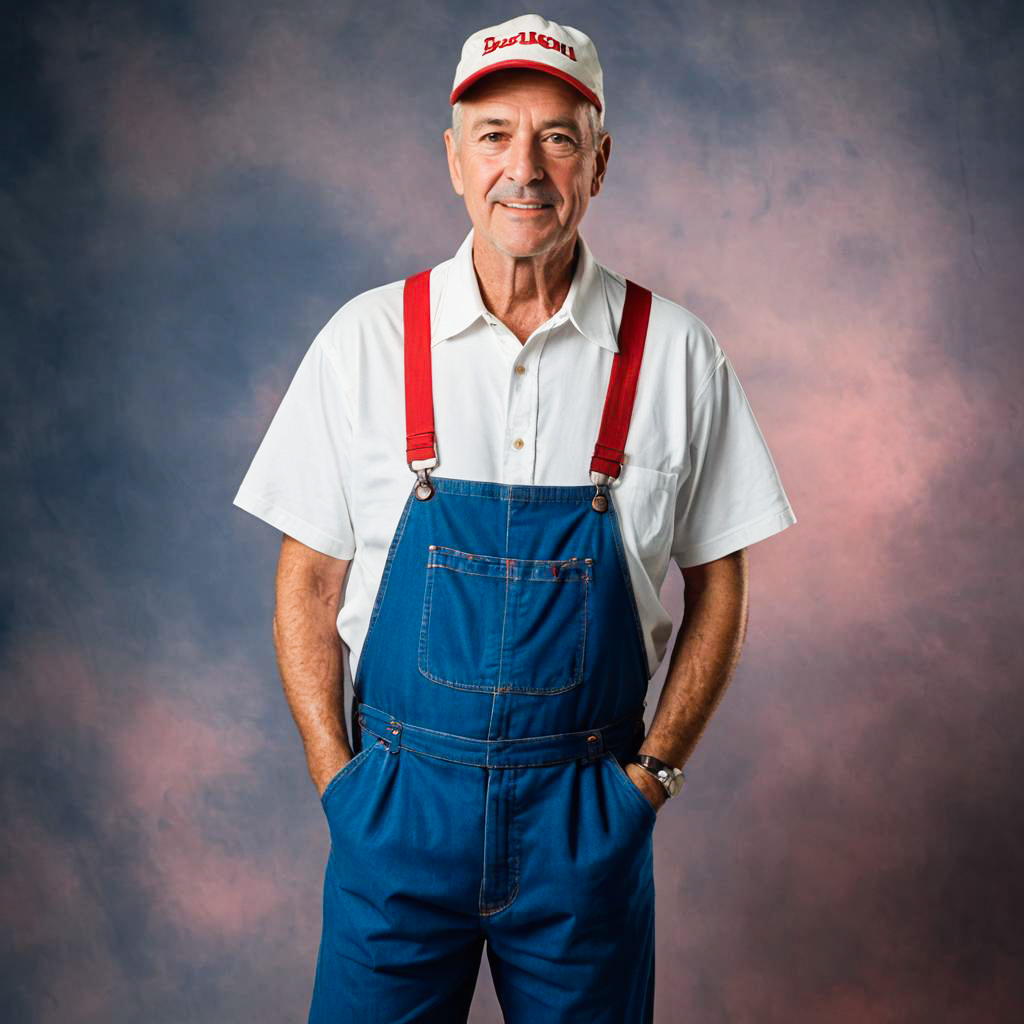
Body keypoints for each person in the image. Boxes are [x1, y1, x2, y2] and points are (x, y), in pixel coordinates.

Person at [233, 13, 797, 1023]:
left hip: (583, 819)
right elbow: (306, 580)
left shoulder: (675, 354)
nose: (523, 167)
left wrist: (650, 778)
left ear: (600, 161)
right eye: (494, 133)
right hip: (399, 812)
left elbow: (722, 583)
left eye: (557, 136)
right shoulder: (365, 342)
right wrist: (340, 786)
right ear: (453, 158)